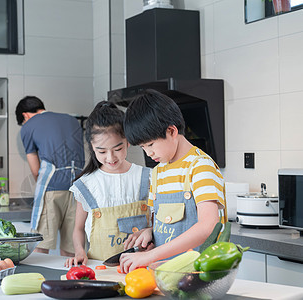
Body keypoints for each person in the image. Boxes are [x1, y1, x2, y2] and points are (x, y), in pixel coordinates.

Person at [120, 89, 227, 273]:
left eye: (151, 144)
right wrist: (150, 233)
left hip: (200, 275)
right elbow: (163, 224)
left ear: (171, 131)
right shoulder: (157, 172)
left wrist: (149, 256)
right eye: (143, 147)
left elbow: (208, 227)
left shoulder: (200, 167)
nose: (148, 153)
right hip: (166, 275)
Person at [64, 101, 151, 267]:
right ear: (92, 147)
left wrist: (150, 231)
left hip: (141, 269)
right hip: (99, 268)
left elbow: (158, 223)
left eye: (117, 149)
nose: (110, 158)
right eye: (102, 151)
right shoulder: (86, 184)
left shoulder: (147, 177)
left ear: (128, 141)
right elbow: (78, 229)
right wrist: (79, 251)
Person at [16, 96, 85, 256]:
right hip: (78, 189)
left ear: (25, 115)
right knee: (72, 247)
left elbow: (35, 169)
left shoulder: (28, 127)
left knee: (40, 245)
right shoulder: (73, 121)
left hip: (51, 188)